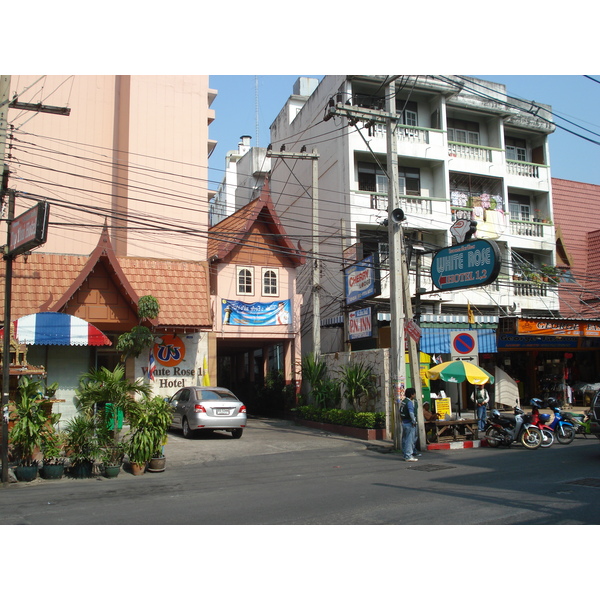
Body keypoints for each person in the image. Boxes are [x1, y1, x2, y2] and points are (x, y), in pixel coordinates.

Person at [400, 387, 420, 461]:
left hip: (404, 422)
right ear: (412, 394)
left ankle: (405, 454)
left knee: (405, 439)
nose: (414, 395)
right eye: (414, 393)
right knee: (409, 440)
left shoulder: (403, 401)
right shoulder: (409, 403)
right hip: (409, 423)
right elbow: (411, 413)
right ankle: (408, 455)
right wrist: (414, 421)